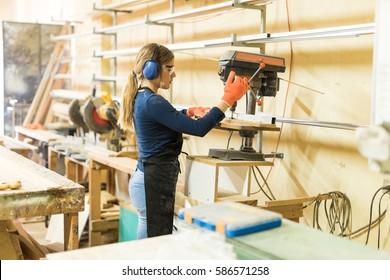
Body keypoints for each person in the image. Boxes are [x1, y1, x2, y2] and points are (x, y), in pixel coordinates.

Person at [118, 43, 248, 239]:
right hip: (151, 182)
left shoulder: (144, 97)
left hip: (148, 178)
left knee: (153, 239)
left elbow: (163, 118)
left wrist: (187, 112)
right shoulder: (153, 101)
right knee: (153, 243)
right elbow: (199, 128)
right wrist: (227, 99)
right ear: (151, 69)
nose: (174, 74)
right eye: (169, 68)